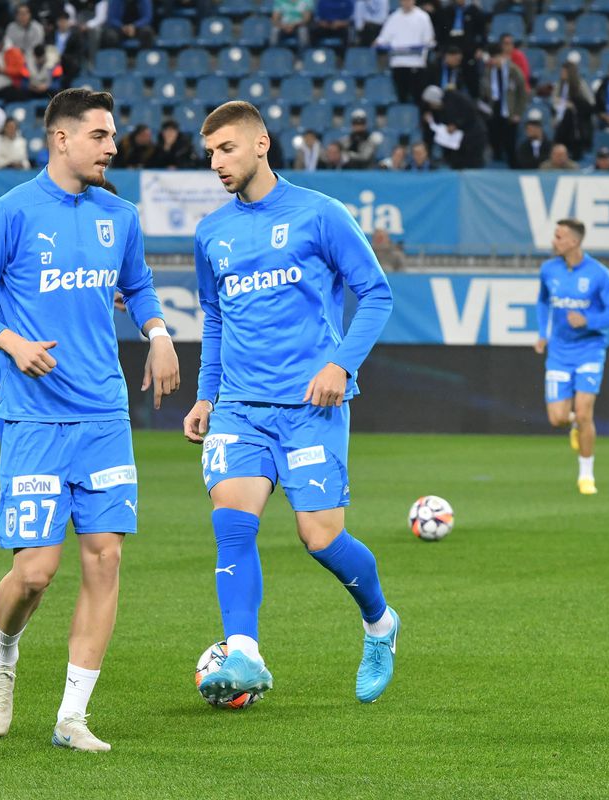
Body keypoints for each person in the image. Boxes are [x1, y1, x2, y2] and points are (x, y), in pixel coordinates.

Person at [0, 87, 180, 753]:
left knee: (104, 558)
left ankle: (71, 717)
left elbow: (137, 287)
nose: (113, 146)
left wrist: (158, 332)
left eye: (112, 135)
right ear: (61, 139)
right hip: (33, 419)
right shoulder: (10, 212)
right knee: (36, 574)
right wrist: (11, 342)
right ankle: (4, 650)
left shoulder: (119, 215)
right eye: (101, 136)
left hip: (105, 413)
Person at [183, 100, 399, 708]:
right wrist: (206, 395)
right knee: (232, 523)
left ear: (261, 144)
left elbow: (375, 294)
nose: (217, 164)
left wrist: (340, 364)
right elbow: (217, 318)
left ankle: (380, 624)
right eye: (209, 155)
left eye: (226, 149)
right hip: (240, 408)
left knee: (321, 538)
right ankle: (244, 651)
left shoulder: (320, 215)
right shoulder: (212, 233)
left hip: (310, 405)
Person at [534, 218, 609, 495]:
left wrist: (587, 320)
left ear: (574, 241)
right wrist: (543, 333)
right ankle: (573, 424)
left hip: (589, 349)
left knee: (585, 412)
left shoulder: (599, 274)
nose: (554, 241)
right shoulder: (549, 270)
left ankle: (586, 475)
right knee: (557, 419)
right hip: (560, 351)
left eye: (559, 236)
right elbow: (542, 301)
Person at [372, 0, 434, 105]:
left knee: (417, 97)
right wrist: (377, 42)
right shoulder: (394, 17)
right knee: (401, 96)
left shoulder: (423, 17)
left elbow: (428, 39)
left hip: (416, 63)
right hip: (398, 63)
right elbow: (384, 37)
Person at [480, 42, 527, 166]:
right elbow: (484, 91)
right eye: (492, 58)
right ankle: (497, 165)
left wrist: (518, 112)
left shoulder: (514, 70)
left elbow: (522, 93)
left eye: (496, 58)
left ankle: (513, 168)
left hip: (510, 112)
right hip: (494, 111)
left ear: (502, 56)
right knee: (494, 141)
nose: (494, 61)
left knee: (510, 144)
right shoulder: (488, 71)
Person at [552, 60, 593, 160]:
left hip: (577, 122)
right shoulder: (559, 85)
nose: (562, 74)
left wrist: (574, 105)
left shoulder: (580, 85)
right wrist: (562, 103)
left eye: (564, 72)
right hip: (560, 119)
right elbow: (554, 100)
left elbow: (590, 103)